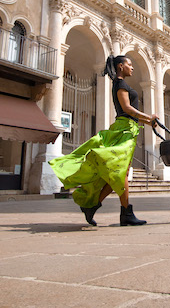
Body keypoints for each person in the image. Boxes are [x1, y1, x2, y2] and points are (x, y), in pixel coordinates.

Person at [49, 55, 158, 226]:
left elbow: (130, 113)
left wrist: (148, 122)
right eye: (130, 65)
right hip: (124, 130)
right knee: (121, 172)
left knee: (121, 173)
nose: (132, 67)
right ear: (121, 66)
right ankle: (122, 212)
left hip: (129, 128)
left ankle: (102, 208)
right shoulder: (120, 84)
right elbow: (127, 109)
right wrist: (148, 117)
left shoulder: (121, 83)